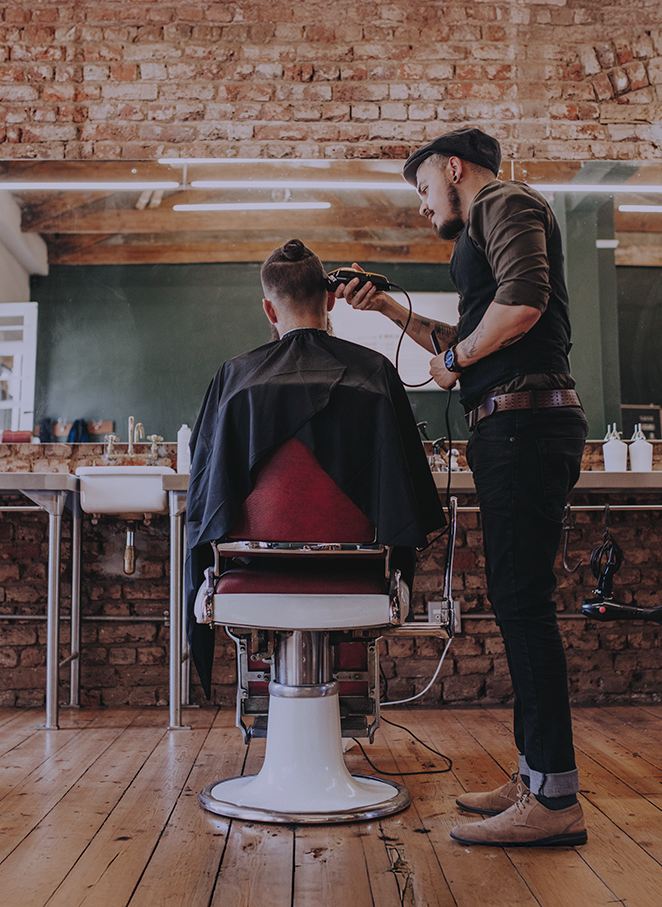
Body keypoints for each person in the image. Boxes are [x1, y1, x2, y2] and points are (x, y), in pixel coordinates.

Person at [336, 127, 589, 848]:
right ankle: (536, 775)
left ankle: (554, 798)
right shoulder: (485, 229)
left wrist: (457, 355)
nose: (421, 207)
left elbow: (523, 309)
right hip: (512, 426)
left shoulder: (502, 203)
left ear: (453, 169)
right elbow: (472, 338)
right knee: (517, 605)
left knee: (523, 606)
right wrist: (388, 310)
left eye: (422, 189)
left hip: (524, 429)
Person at [184, 238, 446, 698]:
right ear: (330, 299)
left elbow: (208, 494)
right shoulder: (376, 374)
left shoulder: (233, 379)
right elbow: (405, 495)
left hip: (255, 568)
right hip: (357, 569)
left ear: (269, 309)